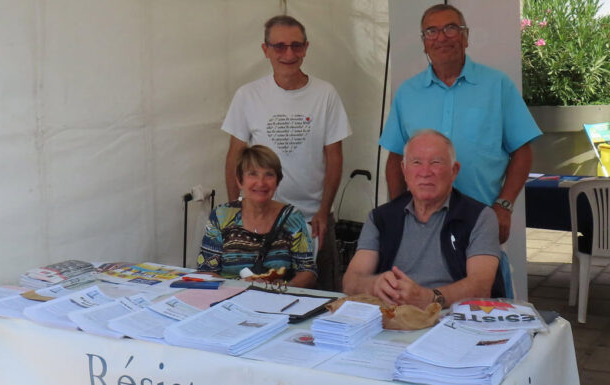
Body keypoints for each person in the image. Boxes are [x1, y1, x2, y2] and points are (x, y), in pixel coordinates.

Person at [380, 4, 542, 244]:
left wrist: (504, 206)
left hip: (481, 218)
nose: (441, 37)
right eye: (431, 32)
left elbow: (522, 151)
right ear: (424, 43)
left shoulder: (497, 85)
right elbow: (395, 158)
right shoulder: (407, 93)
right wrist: (397, 209)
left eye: (451, 28)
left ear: (466, 37)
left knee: (482, 281)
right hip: (421, 220)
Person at [222, 15, 351, 291]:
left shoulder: (325, 94)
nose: (289, 54)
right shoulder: (248, 95)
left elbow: (334, 158)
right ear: (265, 50)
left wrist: (324, 211)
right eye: (279, 46)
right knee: (257, 294)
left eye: (296, 46)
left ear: (306, 48)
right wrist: (235, 211)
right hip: (260, 220)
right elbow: (235, 155)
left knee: (321, 297)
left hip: (313, 220)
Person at [342, 130, 501, 308]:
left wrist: (428, 298)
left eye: (436, 162)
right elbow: (350, 281)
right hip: (394, 320)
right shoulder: (381, 218)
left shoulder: (479, 217)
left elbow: (481, 286)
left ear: (454, 170)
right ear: (404, 170)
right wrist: (374, 285)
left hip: (452, 321)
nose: (425, 172)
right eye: (416, 162)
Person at [198, 145, 317, 288]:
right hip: (230, 300)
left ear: (277, 181)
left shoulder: (292, 217)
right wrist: (238, 286)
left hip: (277, 300)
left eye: (269, 175)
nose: (261, 183)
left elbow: (308, 271)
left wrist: (285, 286)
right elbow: (205, 271)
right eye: (252, 174)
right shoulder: (221, 215)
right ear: (239, 180)